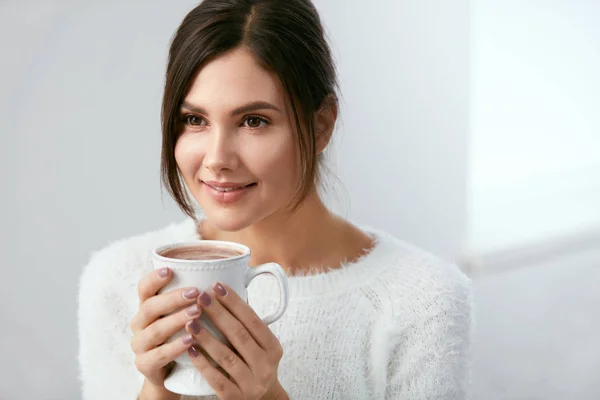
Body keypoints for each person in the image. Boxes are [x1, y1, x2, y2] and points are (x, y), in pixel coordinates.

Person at [77, 0, 473, 399]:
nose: (216, 160)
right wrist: (157, 389)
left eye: (254, 121)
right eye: (195, 120)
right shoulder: (119, 280)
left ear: (321, 125)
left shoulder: (423, 299)